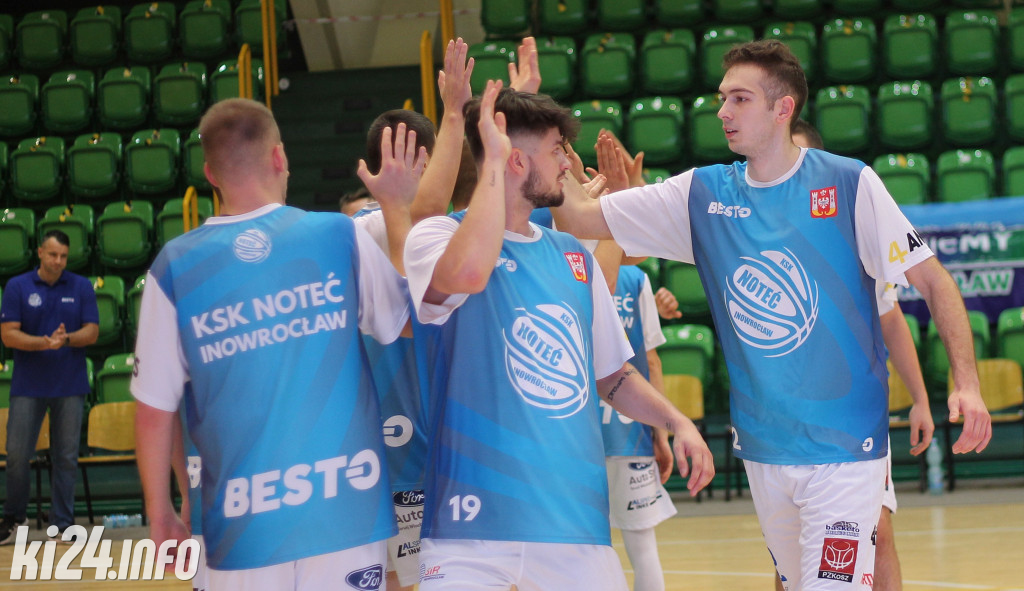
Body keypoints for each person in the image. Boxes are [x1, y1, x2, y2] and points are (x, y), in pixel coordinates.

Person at [552, 40, 992, 590]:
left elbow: (934, 280)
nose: (723, 111)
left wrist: (966, 383)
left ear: (783, 109)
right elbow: (578, 219)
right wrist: (552, 160)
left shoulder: (849, 183)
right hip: (764, 448)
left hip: (845, 448)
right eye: (722, 98)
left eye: (740, 99)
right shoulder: (701, 194)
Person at [403, 82, 713, 591]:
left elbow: (612, 375)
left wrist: (675, 420)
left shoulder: (573, 258)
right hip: (469, 527)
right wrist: (490, 163)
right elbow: (465, 276)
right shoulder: (435, 238)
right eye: (555, 152)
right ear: (514, 161)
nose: (567, 163)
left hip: (573, 522)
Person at [132, 97, 412, 590]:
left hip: (241, 526)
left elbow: (155, 411)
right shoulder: (339, 235)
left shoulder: (174, 266)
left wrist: (161, 513)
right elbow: (404, 322)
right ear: (280, 157)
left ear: (210, 174)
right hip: (347, 509)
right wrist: (397, 206)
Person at [788, 119, 934, 591]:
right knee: (791, 552)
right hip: (784, 421)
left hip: (852, 421)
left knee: (879, 531)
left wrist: (920, 398)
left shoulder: (851, 232)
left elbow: (892, 321)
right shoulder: (757, 238)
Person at [0, 230, 99, 544]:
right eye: (53, 254)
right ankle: (15, 517)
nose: (58, 261)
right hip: (28, 385)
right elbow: (8, 335)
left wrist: (66, 339)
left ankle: (62, 523)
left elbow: (92, 331)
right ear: (40, 252)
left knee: (66, 457)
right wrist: (42, 343)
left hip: (70, 384)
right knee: (17, 455)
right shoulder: (18, 286)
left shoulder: (81, 286)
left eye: (64, 256)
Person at [603, 263, 677, 591]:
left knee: (584, 550)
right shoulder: (635, 279)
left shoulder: (561, 262)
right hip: (630, 432)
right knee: (644, 550)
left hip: (576, 435)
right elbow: (653, 362)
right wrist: (661, 435)